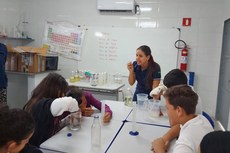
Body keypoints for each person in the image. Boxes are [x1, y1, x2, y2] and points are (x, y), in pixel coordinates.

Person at [151, 85, 213, 153]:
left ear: (179, 111)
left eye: (167, 108)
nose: (167, 112)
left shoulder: (185, 143)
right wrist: (163, 140)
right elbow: (180, 127)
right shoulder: (201, 119)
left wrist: (159, 149)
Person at [23, 73, 79, 147]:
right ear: (57, 90)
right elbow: (71, 102)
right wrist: (76, 113)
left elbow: (51, 125)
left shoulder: (43, 104)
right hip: (39, 148)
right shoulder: (41, 105)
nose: (63, 95)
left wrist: (67, 120)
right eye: (63, 92)